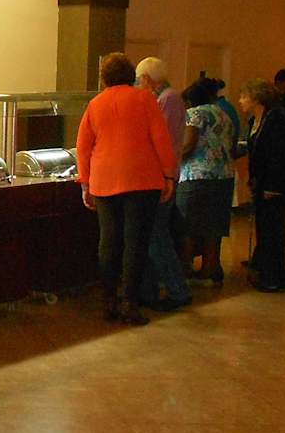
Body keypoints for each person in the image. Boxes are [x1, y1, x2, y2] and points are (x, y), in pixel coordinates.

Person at [76, 53, 177, 325]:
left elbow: (83, 146)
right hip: (142, 179)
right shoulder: (145, 99)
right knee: (136, 243)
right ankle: (130, 303)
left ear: (104, 78)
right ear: (131, 74)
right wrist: (169, 175)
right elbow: (161, 139)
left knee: (109, 242)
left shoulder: (95, 104)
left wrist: (85, 182)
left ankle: (108, 300)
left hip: (105, 180)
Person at [135, 57, 193, 311]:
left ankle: (177, 289)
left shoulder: (168, 99)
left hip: (161, 178)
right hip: (161, 176)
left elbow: (163, 139)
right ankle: (149, 291)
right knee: (152, 236)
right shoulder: (168, 98)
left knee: (157, 237)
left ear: (147, 79)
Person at [239, 78, 285, 293]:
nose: (241, 100)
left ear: (256, 98)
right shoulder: (256, 120)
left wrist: (272, 185)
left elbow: (279, 155)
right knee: (265, 229)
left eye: (244, 96)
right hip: (262, 181)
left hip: (273, 184)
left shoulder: (274, 120)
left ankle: (274, 277)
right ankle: (268, 273)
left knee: (273, 230)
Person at [177, 78, 236, 285]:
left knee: (188, 226)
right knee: (214, 227)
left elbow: (188, 145)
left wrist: (171, 158)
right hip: (224, 176)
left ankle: (185, 271)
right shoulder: (223, 114)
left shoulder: (194, 114)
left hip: (197, 176)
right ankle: (212, 268)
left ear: (189, 101)